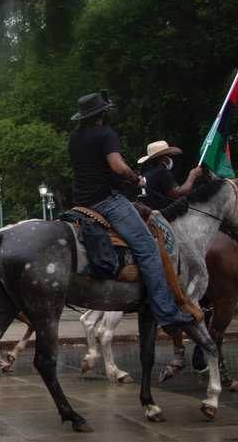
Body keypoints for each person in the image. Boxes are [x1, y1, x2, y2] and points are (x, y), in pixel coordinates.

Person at [67, 92, 195, 334]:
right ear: (102, 114)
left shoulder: (74, 138)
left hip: (81, 203)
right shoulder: (106, 134)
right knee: (148, 247)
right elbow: (116, 166)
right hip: (107, 201)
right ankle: (167, 313)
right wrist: (134, 178)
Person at [137, 140, 204, 211]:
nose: (170, 159)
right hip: (166, 217)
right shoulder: (162, 172)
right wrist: (192, 175)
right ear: (162, 159)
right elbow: (178, 195)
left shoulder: (147, 174)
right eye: (169, 156)